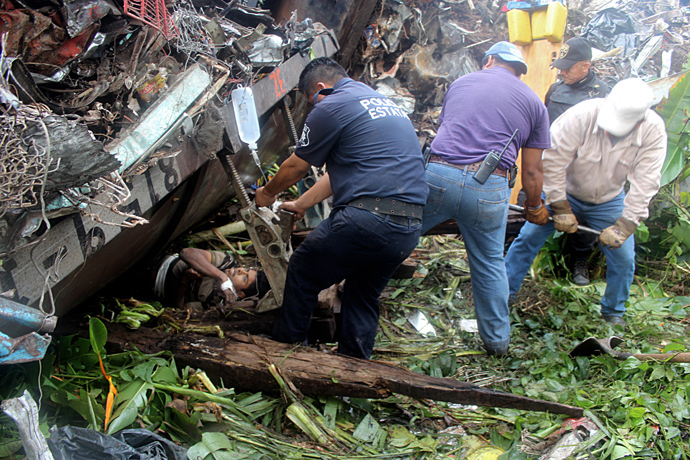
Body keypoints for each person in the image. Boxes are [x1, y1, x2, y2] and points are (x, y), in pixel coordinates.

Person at [254, 57, 428, 359]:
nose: (313, 107)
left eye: (311, 101)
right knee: (362, 295)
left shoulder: (331, 105)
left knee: (303, 271)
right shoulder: (383, 103)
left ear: (320, 88)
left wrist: (266, 194)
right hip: (409, 226)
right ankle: (353, 373)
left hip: (365, 220)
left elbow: (296, 165)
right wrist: (300, 203)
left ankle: (289, 354)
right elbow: (341, 173)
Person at [420, 41, 551, 356]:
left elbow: (450, 130)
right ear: (519, 71)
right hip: (489, 188)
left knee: (394, 235)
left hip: (437, 176)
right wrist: (535, 207)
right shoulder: (535, 104)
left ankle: (360, 299)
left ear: (489, 60)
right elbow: (532, 171)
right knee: (490, 263)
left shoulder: (461, 83)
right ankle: (497, 345)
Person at [505, 78, 667, 328]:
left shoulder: (653, 131)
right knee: (528, 238)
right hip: (565, 191)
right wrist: (559, 206)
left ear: (640, 119)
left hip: (609, 200)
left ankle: (613, 311)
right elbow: (553, 161)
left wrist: (626, 224)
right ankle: (503, 295)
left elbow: (646, 181)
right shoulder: (581, 116)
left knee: (623, 258)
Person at [545, 36, 610, 286]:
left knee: (582, 217)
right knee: (531, 208)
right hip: (551, 162)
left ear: (586, 66)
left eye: (568, 67)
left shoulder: (603, 93)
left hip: (582, 167)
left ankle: (578, 262)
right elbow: (544, 122)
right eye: (560, 66)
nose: (561, 72)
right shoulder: (555, 88)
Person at [153, 248, 270, 309]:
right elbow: (186, 252)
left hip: (152, 288)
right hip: (158, 260)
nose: (240, 270)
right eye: (246, 270)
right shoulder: (226, 263)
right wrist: (221, 276)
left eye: (245, 278)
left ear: (240, 294)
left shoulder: (216, 303)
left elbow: (178, 309)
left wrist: (185, 282)